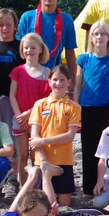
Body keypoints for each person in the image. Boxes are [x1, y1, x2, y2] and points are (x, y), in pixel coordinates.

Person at [75, 20, 109, 195]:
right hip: (86, 108)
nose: (99, 37)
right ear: (91, 38)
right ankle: (88, 188)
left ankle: (105, 183)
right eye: (96, 33)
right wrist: (75, 110)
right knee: (88, 148)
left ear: (108, 37)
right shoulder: (83, 59)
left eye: (103, 33)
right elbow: (78, 86)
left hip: (106, 109)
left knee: (106, 149)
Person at [29, 64, 81, 207]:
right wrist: (43, 160)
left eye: (62, 80)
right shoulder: (40, 104)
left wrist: (43, 140)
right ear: (49, 81)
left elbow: (70, 136)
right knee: (44, 205)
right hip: (43, 161)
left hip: (64, 160)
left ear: (69, 82)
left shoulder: (74, 107)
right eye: (55, 80)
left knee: (64, 206)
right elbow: (34, 136)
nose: (58, 83)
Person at [8, 33, 51, 187]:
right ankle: (23, 186)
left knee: (35, 156)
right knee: (22, 155)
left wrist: (29, 114)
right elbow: (12, 95)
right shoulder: (18, 71)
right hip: (19, 119)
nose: (29, 51)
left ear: (40, 49)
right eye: (26, 48)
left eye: (33, 48)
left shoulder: (47, 73)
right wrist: (20, 116)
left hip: (37, 120)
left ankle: (36, 186)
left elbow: (46, 100)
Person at [16, 0, 77, 74]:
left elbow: (70, 51)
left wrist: (73, 79)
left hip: (54, 76)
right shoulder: (27, 18)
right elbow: (18, 48)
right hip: (30, 74)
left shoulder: (66, 20)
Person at [0, 8, 23, 135]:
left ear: (15, 26)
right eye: (1, 25)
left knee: (12, 133)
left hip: (14, 99)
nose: (5, 28)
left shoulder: (21, 46)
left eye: (8, 24)